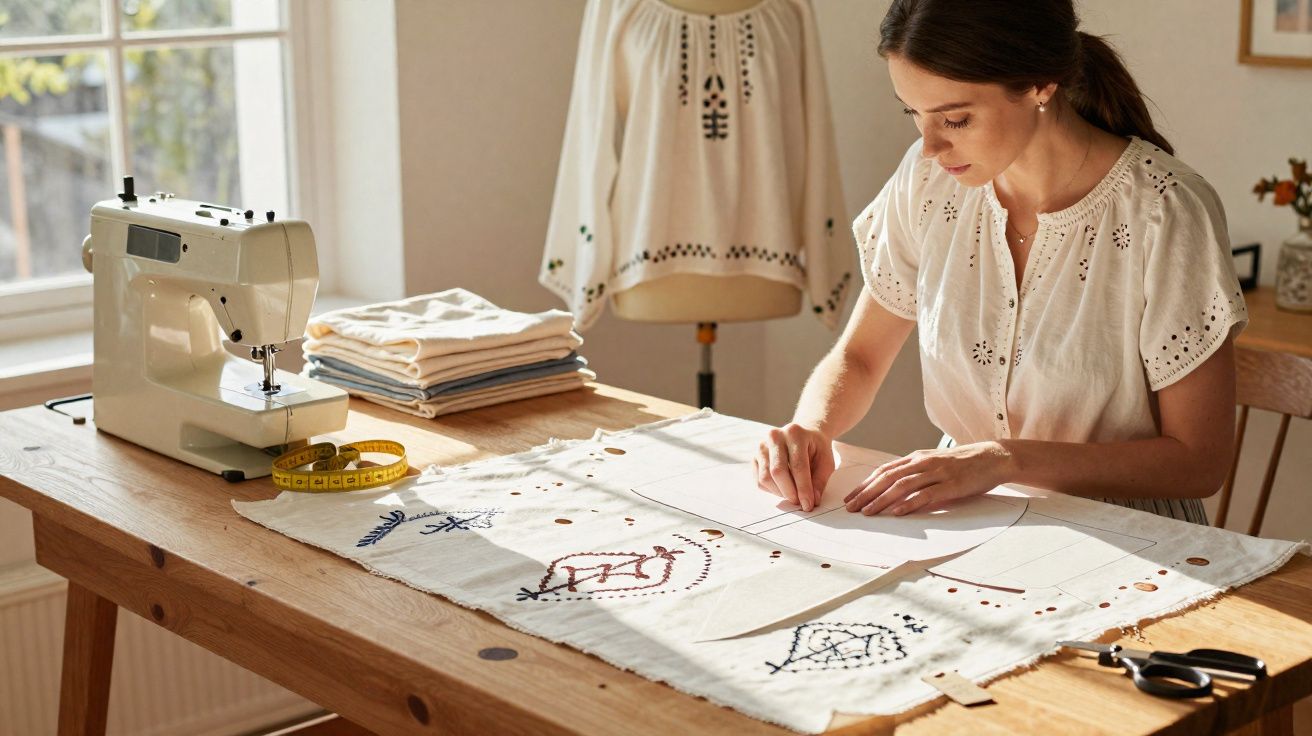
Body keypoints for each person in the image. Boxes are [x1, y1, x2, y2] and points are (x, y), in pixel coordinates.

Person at [754, 0, 1248, 525]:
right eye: (914, 114)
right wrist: (811, 428)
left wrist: (1002, 459)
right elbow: (861, 357)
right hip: (972, 517)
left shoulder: (1165, 210)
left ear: (1040, 84)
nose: (929, 147)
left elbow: (1199, 462)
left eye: (956, 119)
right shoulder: (927, 185)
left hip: (1134, 539)